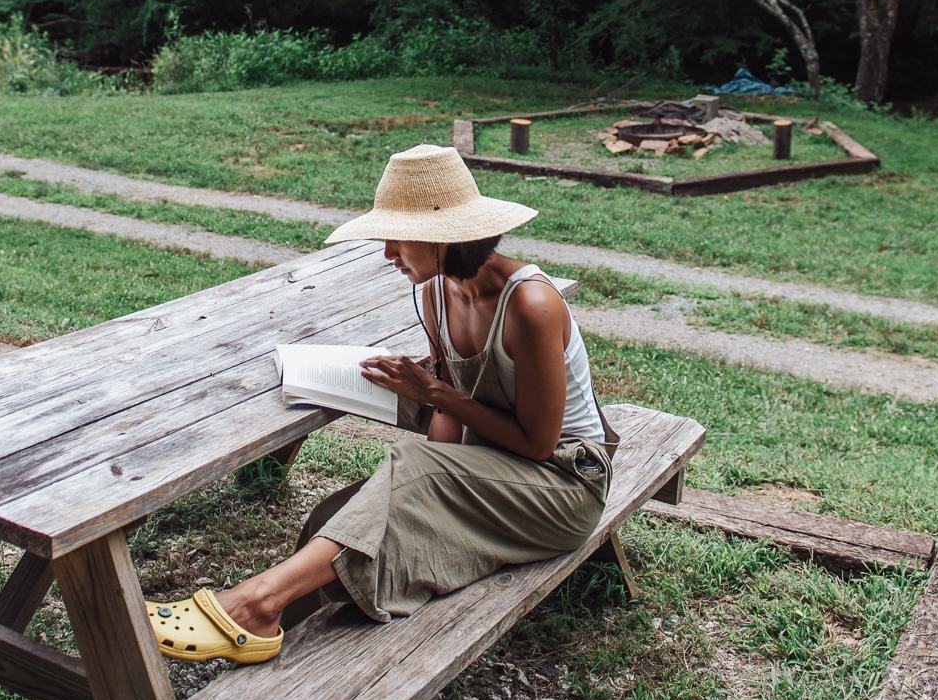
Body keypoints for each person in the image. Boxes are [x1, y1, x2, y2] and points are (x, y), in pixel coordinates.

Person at [143, 143, 617, 664]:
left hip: (563, 486)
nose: (388, 253)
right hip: (494, 465)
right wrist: (436, 453)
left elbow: (537, 442)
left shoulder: (530, 304)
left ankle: (251, 603)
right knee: (337, 515)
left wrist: (433, 395)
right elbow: (448, 430)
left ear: (441, 238)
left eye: (396, 238)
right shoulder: (434, 293)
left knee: (411, 470)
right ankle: (273, 636)